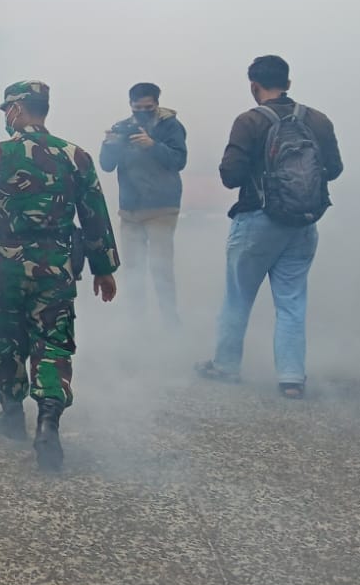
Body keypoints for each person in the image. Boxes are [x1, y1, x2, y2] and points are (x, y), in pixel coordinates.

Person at [0, 81, 119, 472]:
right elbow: (95, 217)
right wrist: (103, 268)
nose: (6, 117)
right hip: (54, 265)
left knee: (5, 338)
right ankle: (48, 425)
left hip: (1, 266)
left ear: (18, 110)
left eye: (7, 110)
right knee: (53, 343)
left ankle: (10, 415)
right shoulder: (77, 156)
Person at [195, 55, 342, 399]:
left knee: (238, 298)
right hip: (303, 224)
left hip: (257, 221)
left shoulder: (249, 121)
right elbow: (333, 169)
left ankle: (226, 366)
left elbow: (230, 176)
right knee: (292, 302)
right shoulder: (318, 120)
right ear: (288, 83)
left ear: (254, 86)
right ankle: (291, 378)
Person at [99, 82, 188, 325]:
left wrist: (153, 146)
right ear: (130, 105)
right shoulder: (122, 128)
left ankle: (171, 322)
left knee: (161, 270)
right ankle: (137, 325)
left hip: (161, 208)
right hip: (130, 210)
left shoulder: (171, 126)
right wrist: (109, 145)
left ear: (157, 104)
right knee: (133, 270)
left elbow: (179, 160)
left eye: (148, 108)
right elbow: (106, 165)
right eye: (138, 108)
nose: (143, 112)